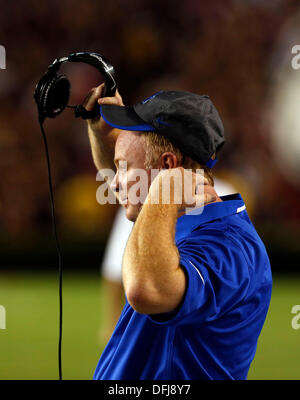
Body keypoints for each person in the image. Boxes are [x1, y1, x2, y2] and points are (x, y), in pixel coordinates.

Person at [84, 85, 272, 380]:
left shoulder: (231, 246)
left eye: (123, 168)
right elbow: (136, 182)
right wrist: (100, 131)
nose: (114, 182)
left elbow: (146, 291)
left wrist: (163, 190)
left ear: (169, 166)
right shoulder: (175, 214)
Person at [100, 176, 237, 344]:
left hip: (158, 323)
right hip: (208, 322)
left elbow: (115, 268)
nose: (115, 183)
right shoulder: (225, 192)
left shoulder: (139, 198)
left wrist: (113, 322)